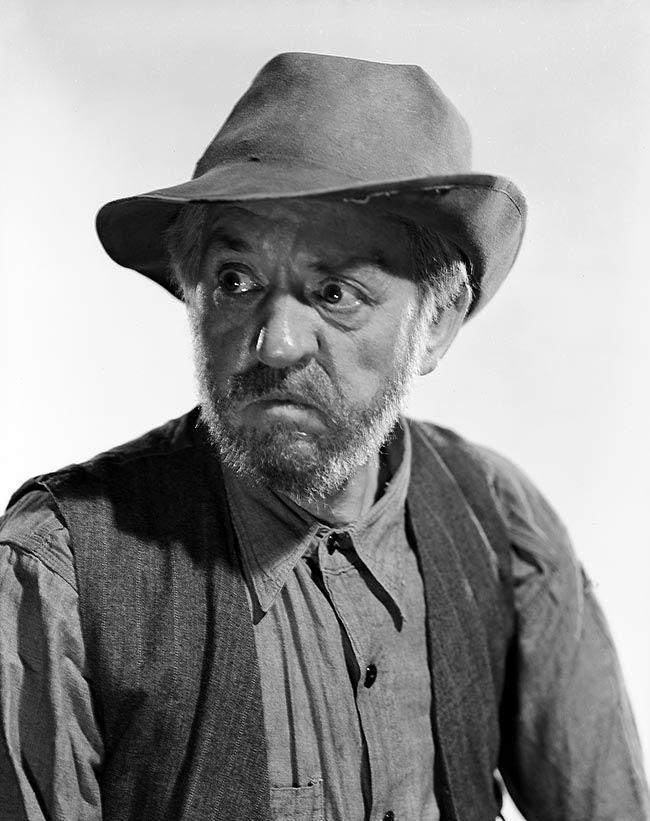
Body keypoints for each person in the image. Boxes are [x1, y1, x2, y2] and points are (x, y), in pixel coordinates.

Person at [0, 52, 647, 821]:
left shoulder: (500, 522)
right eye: (236, 280)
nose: (275, 343)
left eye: (335, 291)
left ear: (437, 322)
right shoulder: (58, 571)